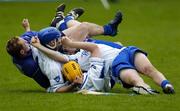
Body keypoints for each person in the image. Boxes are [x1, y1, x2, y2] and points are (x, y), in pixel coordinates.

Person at [6, 4, 122, 90]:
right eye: (25, 44)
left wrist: (27, 28)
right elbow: (49, 83)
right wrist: (70, 84)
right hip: (61, 55)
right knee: (85, 30)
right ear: (22, 52)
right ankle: (63, 20)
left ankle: (62, 21)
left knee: (83, 28)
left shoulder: (25, 43)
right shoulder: (31, 65)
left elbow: (32, 37)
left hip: (55, 48)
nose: (27, 41)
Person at [32, 34, 175, 94]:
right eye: (66, 44)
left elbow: (114, 44)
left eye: (68, 41)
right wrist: (39, 46)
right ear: (67, 51)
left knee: (148, 68)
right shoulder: (74, 58)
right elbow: (55, 55)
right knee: (134, 78)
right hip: (116, 64)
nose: (67, 42)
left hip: (127, 50)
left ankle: (166, 85)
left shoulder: (86, 42)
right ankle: (145, 89)